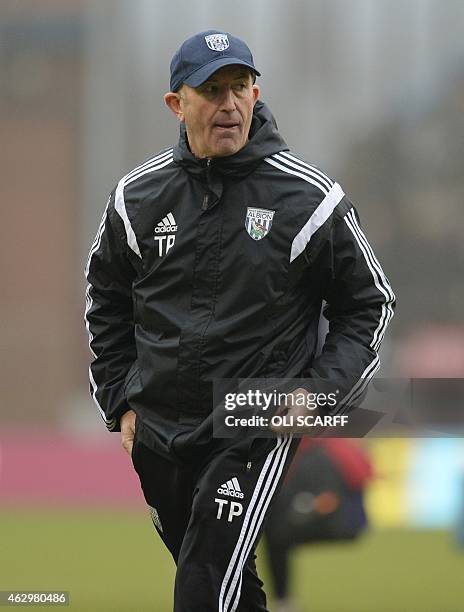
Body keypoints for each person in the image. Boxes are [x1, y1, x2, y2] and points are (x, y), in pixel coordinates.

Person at [84, 29, 395, 612]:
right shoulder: (136, 197)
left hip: (257, 417)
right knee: (226, 585)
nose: (229, 104)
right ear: (177, 103)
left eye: (240, 87)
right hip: (158, 425)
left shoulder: (310, 199)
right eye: (212, 89)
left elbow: (369, 303)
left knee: (203, 580)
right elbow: (106, 299)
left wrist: (319, 392)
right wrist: (120, 402)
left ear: (256, 93)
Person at [264, 438, 373, 612]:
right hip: (349, 521)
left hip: (339, 523)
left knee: (276, 536)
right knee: (276, 535)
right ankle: (282, 601)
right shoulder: (332, 449)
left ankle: (282, 601)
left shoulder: (314, 457)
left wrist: (303, 509)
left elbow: (328, 501)